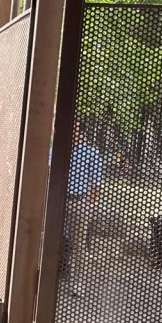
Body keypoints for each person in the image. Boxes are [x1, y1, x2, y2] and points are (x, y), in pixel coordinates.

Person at [64, 118, 102, 297]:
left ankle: (78, 283)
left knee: (79, 244)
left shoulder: (91, 152)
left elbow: (96, 184)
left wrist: (88, 205)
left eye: (75, 129)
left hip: (79, 201)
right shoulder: (58, 149)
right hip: (58, 201)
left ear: (81, 132)